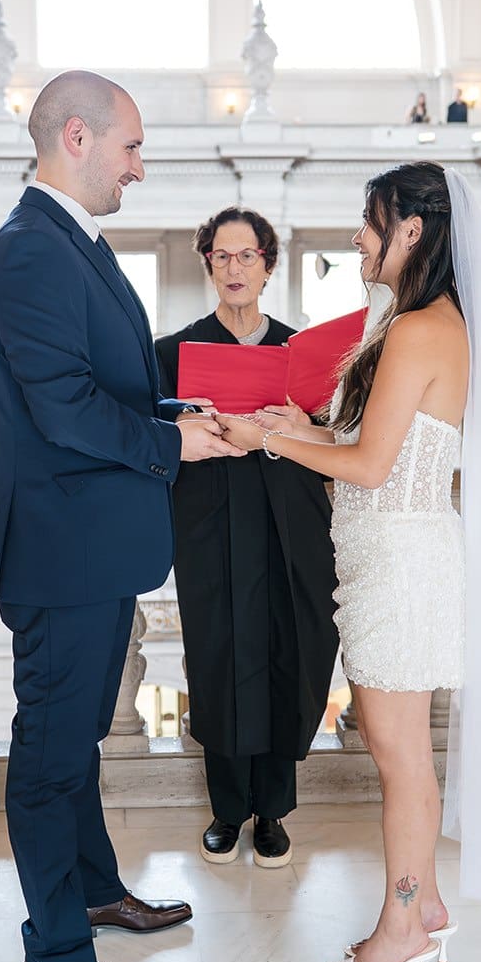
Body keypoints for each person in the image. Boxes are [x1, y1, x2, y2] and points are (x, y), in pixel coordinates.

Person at [0, 69, 243, 962]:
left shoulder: (69, 243)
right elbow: (64, 408)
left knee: (79, 735)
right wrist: (172, 441)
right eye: (131, 146)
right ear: (76, 138)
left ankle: (92, 890)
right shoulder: (30, 252)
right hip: (63, 554)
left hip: (94, 549)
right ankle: (55, 954)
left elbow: (110, 385)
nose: (141, 166)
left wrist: (180, 412)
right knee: (50, 755)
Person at [216, 161, 481, 962]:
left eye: (371, 220)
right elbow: (372, 440)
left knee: (399, 755)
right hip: (388, 554)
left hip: (400, 561)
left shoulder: (422, 328)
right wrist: (302, 425)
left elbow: (374, 465)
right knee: (402, 748)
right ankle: (428, 907)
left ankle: (403, 924)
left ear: (412, 231)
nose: (359, 236)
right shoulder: (423, 321)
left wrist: (267, 441)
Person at [153, 208, 339, 871]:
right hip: (209, 526)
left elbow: (338, 441)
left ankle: (273, 810)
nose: (235, 268)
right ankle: (228, 809)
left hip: (289, 526)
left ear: (268, 264)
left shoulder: (305, 353)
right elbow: (154, 444)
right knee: (220, 660)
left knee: (290, 653)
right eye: (222, 256)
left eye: (247, 255)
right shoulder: (172, 354)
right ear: (208, 263)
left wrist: (297, 421)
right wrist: (187, 427)